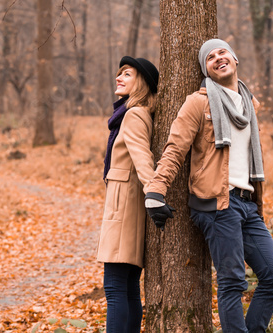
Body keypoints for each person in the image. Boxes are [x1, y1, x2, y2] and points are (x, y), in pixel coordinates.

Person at [144, 39, 273, 333]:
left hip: (248, 204)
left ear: (235, 59)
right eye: (209, 57)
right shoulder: (198, 102)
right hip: (217, 204)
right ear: (206, 70)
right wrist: (155, 190)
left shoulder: (249, 105)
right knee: (233, 280)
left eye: (222, 52)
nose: (218, 57)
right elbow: (175, 149)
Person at [96, 56, 159, 333]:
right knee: (129, 286)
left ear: (141, 83)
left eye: (127, 74)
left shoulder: (133, 114)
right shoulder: (134, 112)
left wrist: (155, 192)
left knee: (115, 287)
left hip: (124, 207)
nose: (119, 78)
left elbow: (142, 157)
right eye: (119, 73)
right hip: (128, 205)